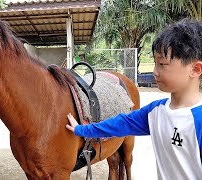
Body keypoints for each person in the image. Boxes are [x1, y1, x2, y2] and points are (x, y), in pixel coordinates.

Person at [66, 19, 202, 180]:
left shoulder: (198, 120)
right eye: (155, 63)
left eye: (162, 64)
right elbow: (120, 124)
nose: (155, 72)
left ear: (195, 69)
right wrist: (80, 130)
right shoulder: (156, 111)